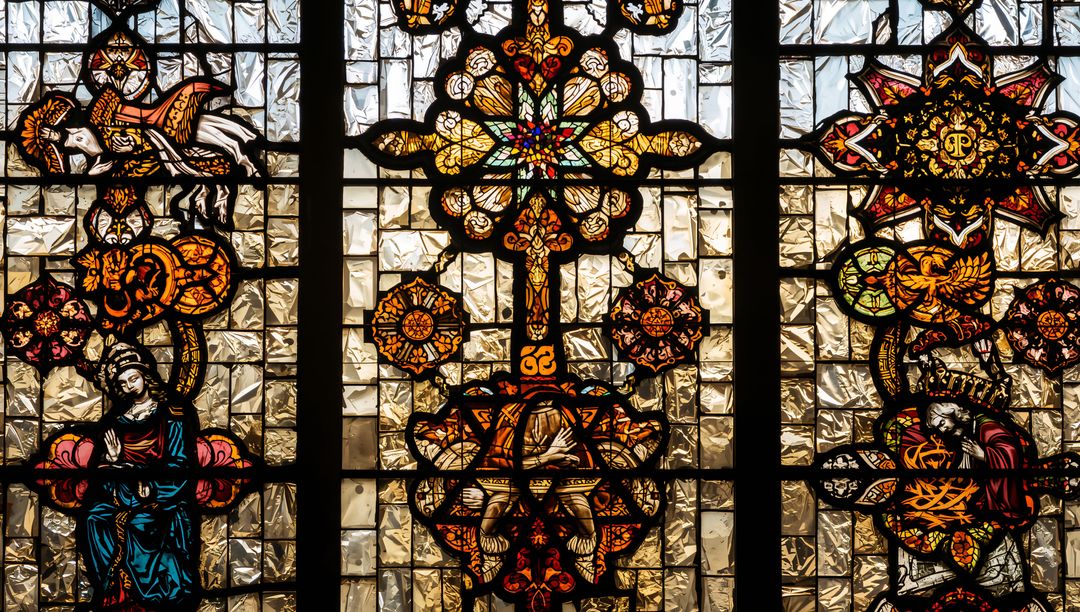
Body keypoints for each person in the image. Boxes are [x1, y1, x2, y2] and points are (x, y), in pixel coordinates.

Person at [83, 342, 196, 609]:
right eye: (122, 384)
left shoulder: (171, 415)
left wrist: (153, 487)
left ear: (145, 376)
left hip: (160, 493)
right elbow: (105, 470)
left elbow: (180, 463)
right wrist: (113, 460)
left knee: (139, 523)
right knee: (93, 518)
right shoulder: (116, 421)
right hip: (123, 491)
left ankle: (151, 596)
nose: (129, 386)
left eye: (133, 379)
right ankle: (113, 592)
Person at [924, 400, 1034, 522]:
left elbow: (1010, 453)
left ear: (952, 414)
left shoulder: (987, 428)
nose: (942, 430)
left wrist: (984, 455)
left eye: (942, 423)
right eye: (938, 428)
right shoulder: (965, 434)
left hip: (1004, 501)